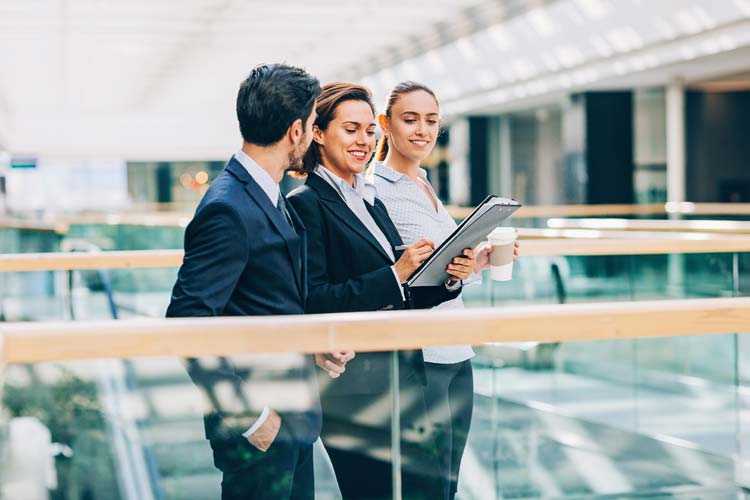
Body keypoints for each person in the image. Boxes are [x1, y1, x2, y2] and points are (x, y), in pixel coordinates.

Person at [286, 82, 473, 500]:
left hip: (401, 379)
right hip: (355, 392)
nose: (364, 141)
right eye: (351, 129)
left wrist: (450, 276)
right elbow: (313, 299)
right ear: (318, 133)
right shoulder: (306, 203)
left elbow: (404, 292)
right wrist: (394, 273)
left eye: (370, 131)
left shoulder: (370, 203)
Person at [166, 63, 328, 500]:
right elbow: (187, 321)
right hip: (261, 431)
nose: (314, 136)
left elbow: (265, 298)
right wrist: (250, 419)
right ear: (296, 131)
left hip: (293, 419)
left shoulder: (267, 191)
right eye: (314, 125)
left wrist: (314, 343)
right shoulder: (228, 207)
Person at [371, 81, 520, 500]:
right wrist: (461, 268)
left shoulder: (423, 182)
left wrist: (481, 261)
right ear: (385, 124)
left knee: (448, 480)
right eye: (410, 119)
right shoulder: (378, 191)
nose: (422, 130)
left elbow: (448, 268)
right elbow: (418, 276)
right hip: (423, 357)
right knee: (429, 484)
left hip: (457, 349)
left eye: (432, 120)